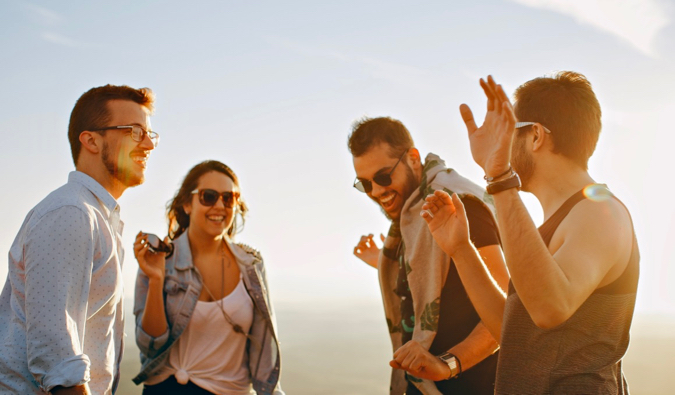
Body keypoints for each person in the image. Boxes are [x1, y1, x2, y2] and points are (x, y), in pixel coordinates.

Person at [406, 72, 639, 393]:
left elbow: (549, 308)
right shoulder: (554, 224)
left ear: (536, 136)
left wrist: (498, 175)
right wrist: (461, 249)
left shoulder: (600, 212)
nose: (502, 144)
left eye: (508, 132)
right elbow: (514, 332)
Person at [0, 85, 157, 394]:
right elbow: (58, 361)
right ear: (91, 141)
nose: (149, 144)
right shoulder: (71, 212)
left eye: (151, 134)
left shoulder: (99, 219)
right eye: (136, 132)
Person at [349, 117, 509, 394]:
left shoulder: (458, 205)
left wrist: (448, 364)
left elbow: (507, 311)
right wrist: (383, 262)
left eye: (383, 177)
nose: (376, 191)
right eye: (364, 184)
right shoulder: (411, 219)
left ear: (412, 158)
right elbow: (436, 276)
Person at [132, 160, 284, 395]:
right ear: (187, 204)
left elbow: (264, 346)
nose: (220, 206)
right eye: (209, 196)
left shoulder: (251, 265)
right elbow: (151, 346)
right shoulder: (160, 260)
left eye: (229, 198)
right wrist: (155, 279)